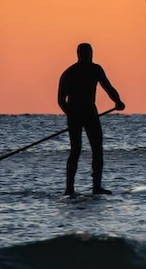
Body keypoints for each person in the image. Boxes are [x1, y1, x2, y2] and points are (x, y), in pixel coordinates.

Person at [57, 43, 125, 196]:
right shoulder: (87, 70)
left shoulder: (71, 72)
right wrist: (118, 101)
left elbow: (61, 101)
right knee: (84, 149)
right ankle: (74, 188)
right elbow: (61, 99)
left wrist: (117, 100)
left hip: (80, 112)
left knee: (89, 149)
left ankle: (88, 187)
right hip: (86, 111)